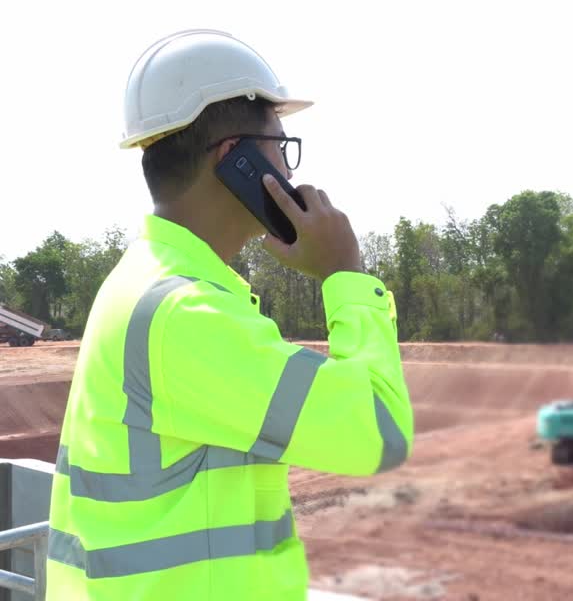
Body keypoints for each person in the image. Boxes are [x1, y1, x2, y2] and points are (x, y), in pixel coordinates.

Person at [45, 30, 413, 599]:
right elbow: (379, 433)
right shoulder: (185, 314)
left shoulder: (146, 283)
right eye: (281, 147)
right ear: (235, 159)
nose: (289, 173)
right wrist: (347, 278)